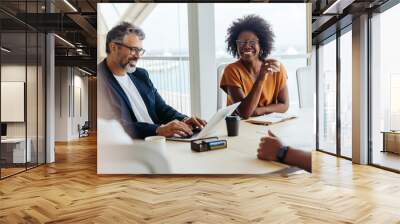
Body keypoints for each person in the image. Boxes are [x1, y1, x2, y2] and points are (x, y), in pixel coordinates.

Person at [97, 22, 206, 139]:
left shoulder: (141, 75)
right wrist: (158, 130)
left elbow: (161, 108)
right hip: (132, 145)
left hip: (159, 141)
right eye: (133, 50)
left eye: (140, 51)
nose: (138, 56)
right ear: (113, 47)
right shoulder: (99, 80)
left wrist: (184, 120)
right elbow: (115, 126)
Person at [220, 15, 289, 119]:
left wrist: (259, 110)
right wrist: (261, 77)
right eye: (241, 42)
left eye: (252, 42)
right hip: (240, 128)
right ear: (235, 45)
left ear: (261, 44)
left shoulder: (275, 68)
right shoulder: (231, 70)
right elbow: (245, 112)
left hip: (269, 125)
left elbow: (284, 105)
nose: (247, 46)